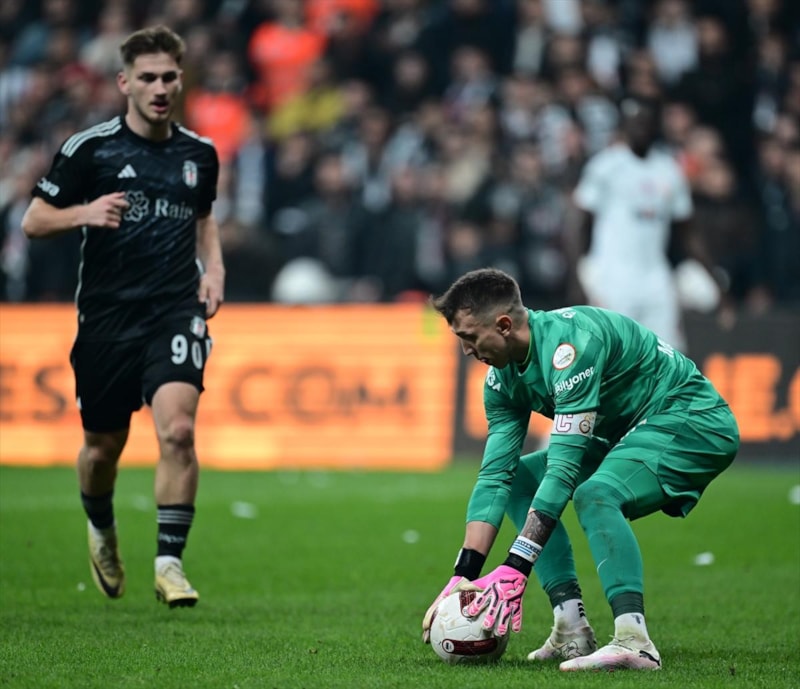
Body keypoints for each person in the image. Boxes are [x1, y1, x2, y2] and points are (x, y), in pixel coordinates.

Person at [421, 267, 738, 671]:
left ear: (503, 325)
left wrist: (517, 565)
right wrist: (462, 576)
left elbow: (564, 470)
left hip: (691, 420)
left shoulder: (572, 348)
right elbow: (496, 476)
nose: (466, 350)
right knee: (520, 481)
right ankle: (571, 628)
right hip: (626, 432)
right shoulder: (501, 380)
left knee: (596, 494)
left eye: (469, 337)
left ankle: (634, 641)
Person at [21, 25, 225, 608]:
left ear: (180, 80)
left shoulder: (200, 154)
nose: (160, 88)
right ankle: (102, 528)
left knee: (178, 431)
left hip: (175, 309)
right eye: (148, 78)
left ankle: (169, 564)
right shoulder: (91, 149)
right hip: (108, 318)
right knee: (102, 448)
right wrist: (83, 213)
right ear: (124, 83)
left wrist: (214, 269)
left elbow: (204, 220)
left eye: (169, 77)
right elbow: (34, 220)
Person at [570, 95, 718, 352]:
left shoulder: (669, 170)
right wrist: (576, 278)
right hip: (612, 276)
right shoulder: (605, 166)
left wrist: (712, 275)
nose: (640, 127)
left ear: (656, 124)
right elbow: (578, 226)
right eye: (633, 121)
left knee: (667, 356)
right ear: (623, 125)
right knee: (614, 356)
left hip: (655, 277)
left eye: (645, 121)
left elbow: (687, 232)